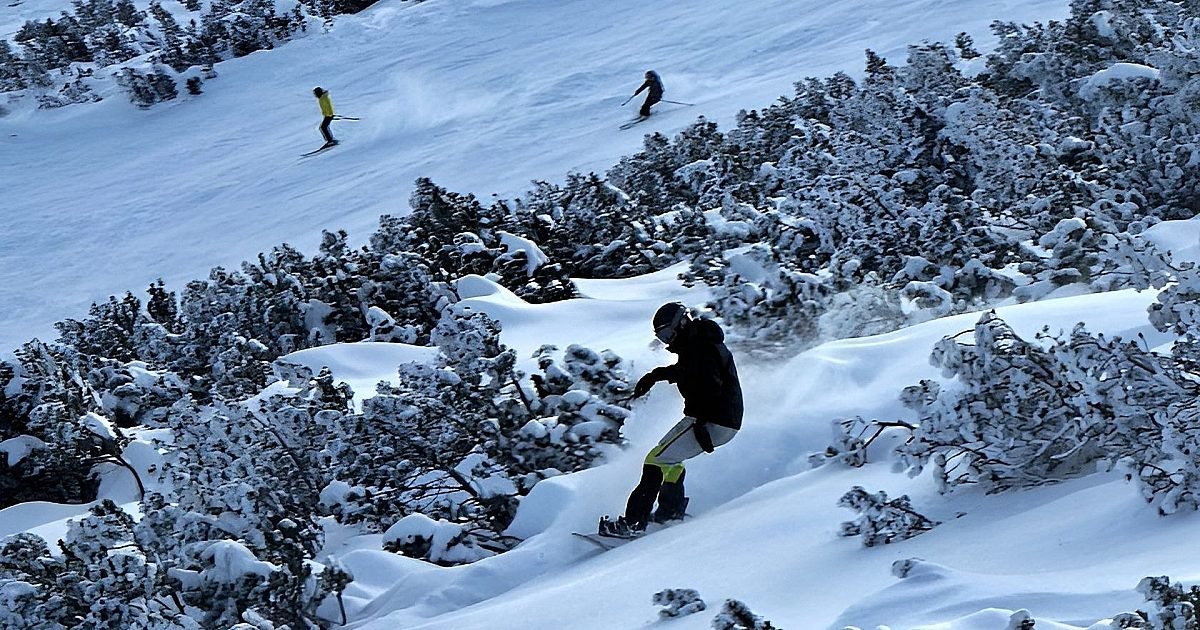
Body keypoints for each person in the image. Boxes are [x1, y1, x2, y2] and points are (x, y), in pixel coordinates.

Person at [599, 302, 743, 537]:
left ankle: (634, 523)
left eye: (668, 333)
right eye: (662, 336)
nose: (668, 340)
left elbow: (710, 383)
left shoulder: (702, 347)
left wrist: (701, 424)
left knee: (655, 460)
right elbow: (689, 371)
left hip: (712, 420)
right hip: (716, 419)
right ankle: (670, 512)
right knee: (669, 459)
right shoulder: (698, 343)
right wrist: (655, 376)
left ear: (683, 323)